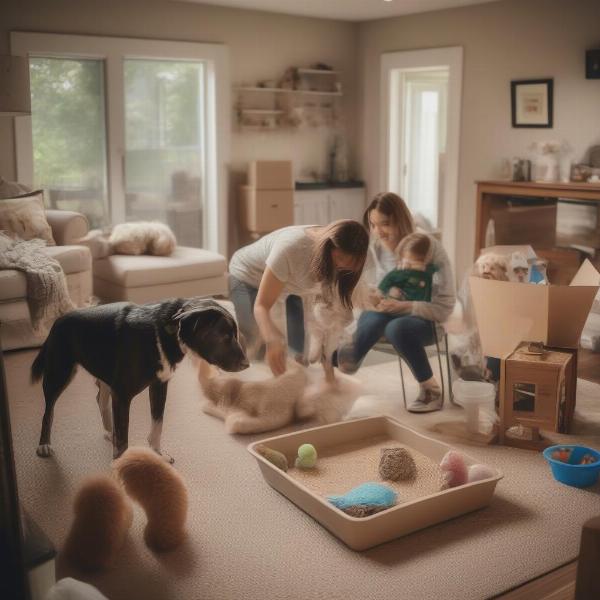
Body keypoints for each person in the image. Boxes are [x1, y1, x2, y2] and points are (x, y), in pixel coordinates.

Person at [336, 192, 456, 413]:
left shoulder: (427, 247)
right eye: (373, 225)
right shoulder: (377, 247)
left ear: (400, 221)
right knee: (372, 318)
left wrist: (406, 306)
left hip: (427, 320)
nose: (378, 232)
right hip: (386, 317)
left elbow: (446, 306)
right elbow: (373, 287)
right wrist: (372, 296)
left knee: (396, 327)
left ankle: (431, 390)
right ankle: (339, 371)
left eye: (385, 224)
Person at [228, 220, 369, 377]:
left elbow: (327, 318)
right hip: (248, 275)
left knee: (299, 353)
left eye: (346, 267)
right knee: (254, 347)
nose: (341, 269)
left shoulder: (342, 260)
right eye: (339, 261)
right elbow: (261, 306)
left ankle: (294, 386)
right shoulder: (291, 249)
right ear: (328, 248)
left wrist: (328, 365)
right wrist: (271, 338)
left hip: (292, 284)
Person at [372, 232, 437, 305]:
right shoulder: (401, 272)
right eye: (403, 262)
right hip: (399, 303)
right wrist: (387, 292)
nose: (405, 266)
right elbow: (385, 283)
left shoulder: (429, 271)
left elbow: (434, 270)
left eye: (412, 263)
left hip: (419, 308)